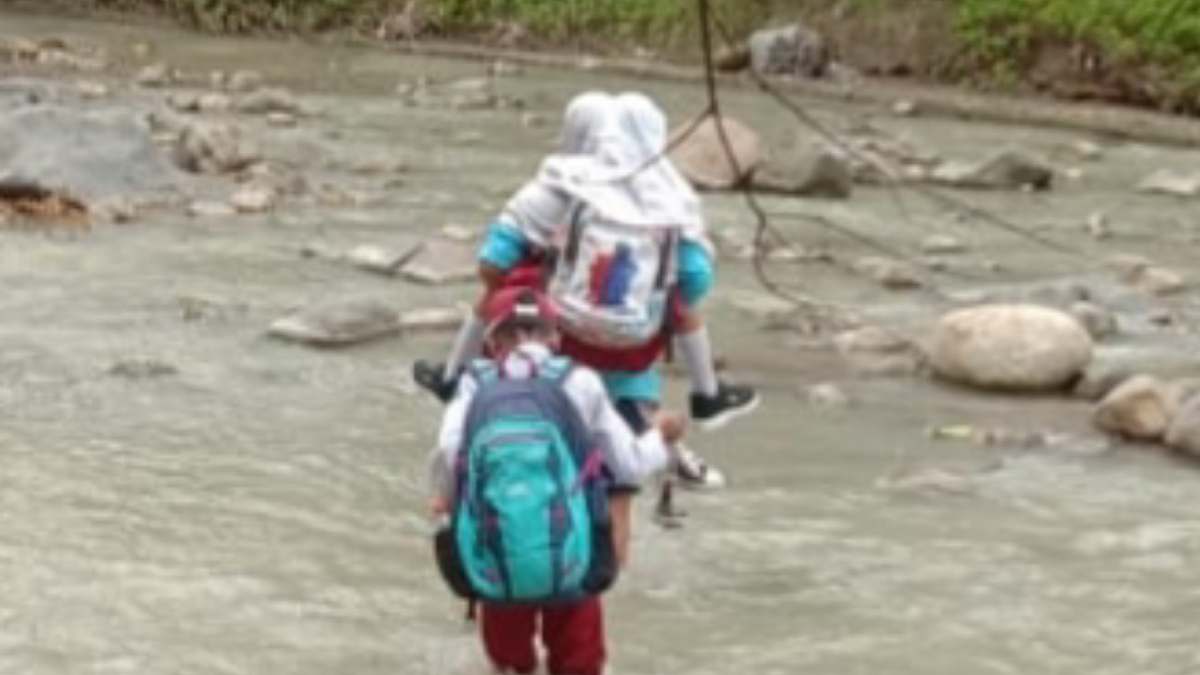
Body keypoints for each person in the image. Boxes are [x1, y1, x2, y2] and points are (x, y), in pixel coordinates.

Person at [415, 91, 758, 436]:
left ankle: (454, 377)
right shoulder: (671, 198)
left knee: (498, 290)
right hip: (635, 345)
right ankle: (706, 396)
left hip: (556, 333)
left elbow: (492, 264)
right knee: (681, 306)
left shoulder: (561, 182)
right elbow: (696, 280)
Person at [430, 287, 686, 675]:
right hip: (573, 554)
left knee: (509, 665)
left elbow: (449, 459)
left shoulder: (473, 386)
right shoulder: (580, 381)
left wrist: (446, 504)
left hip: (496, 557)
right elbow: (629, 466)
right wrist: (661, 437)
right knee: (579, 665)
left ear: (492, 342)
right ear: (555, 337)